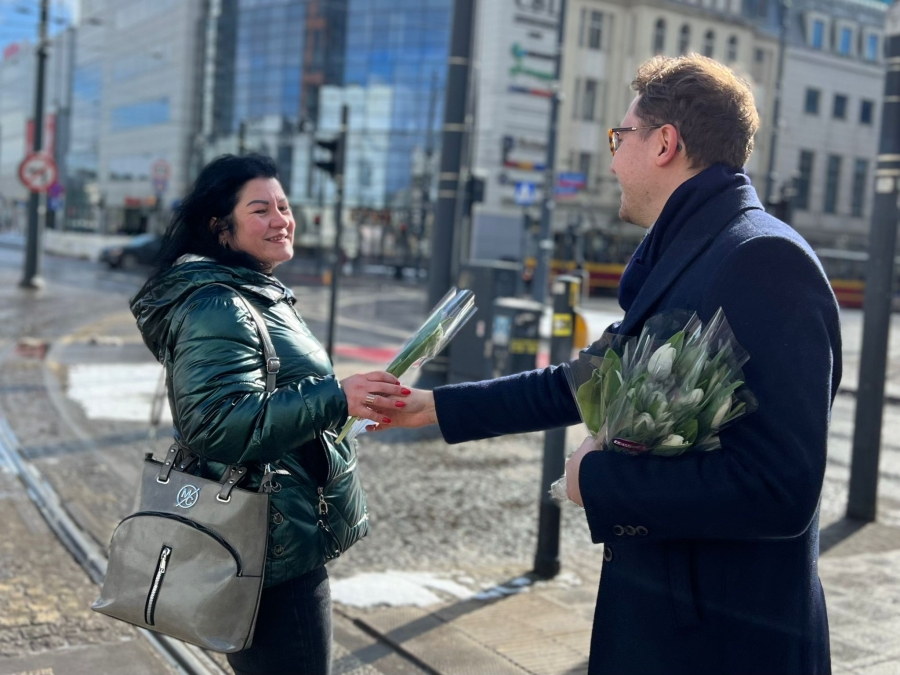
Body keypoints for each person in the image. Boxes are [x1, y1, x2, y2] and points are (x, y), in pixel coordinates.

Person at [388, 55, 841, 674]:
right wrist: (433, 408)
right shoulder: (692, 251)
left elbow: (781, 490)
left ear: (664, 143)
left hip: (724, 643)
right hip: (674, 625)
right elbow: (583, 381)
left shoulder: (763, 260)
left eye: (618, 137)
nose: (611, 160)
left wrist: (597, 482)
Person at [130, 154, 409, 675]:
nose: (281, 219)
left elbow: (276, 399)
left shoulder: (252, 292)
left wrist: (347, 409)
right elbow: (215, 424)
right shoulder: (218, 304)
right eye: (260, 210)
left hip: (278, 534)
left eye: (284, 206)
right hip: (265, 547)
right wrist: (334, 397)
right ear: (222, 228)